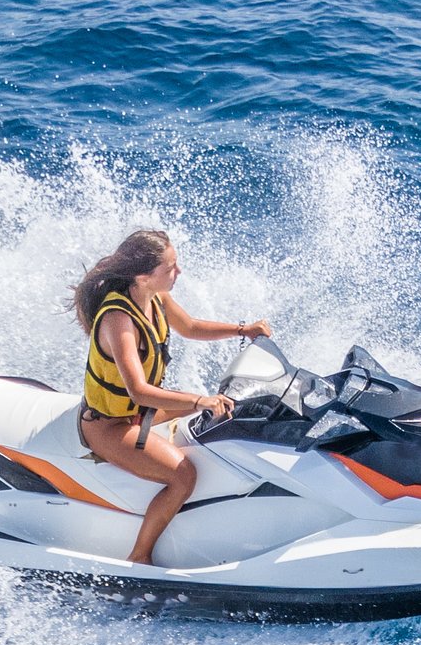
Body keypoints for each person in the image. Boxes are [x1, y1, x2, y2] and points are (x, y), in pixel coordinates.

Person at [71, 229, 271, 565]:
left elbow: (190, 326)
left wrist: (243, 330)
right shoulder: (118, 321)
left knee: (224, 414)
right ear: (144, 276)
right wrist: (197, 400)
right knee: (183, 475)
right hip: (111, 425)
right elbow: (137, 389)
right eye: (171, 268)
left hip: (141, 412)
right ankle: (140, 556)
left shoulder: (154, 298)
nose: (179, 273)